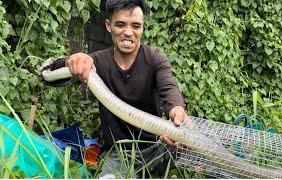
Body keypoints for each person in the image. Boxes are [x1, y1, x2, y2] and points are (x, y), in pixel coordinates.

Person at [42, 0, 187, 178]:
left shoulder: (155, 59)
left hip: (158, 147)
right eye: (120, 24)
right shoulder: (96, 64)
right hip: (119, 154)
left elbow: (169, 87)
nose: (128, 32)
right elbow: (48, 74)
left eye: (136, 26)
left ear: (142, 28)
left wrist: (177, 110)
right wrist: (70, 61)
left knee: (195, 151)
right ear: (108, 25)